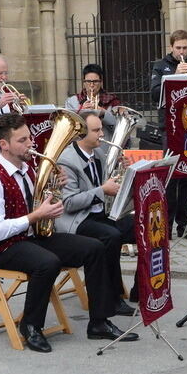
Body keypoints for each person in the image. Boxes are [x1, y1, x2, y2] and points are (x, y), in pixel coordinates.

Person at [0, 113, 138, 352]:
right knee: (48, 262)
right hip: (4, 247)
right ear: (3, 145)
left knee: (95, 247)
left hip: (31, 237)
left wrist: (54, 192)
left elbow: (34, 205)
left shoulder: (28, 170)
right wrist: (36, 216)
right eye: (22, 140)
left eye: (29, 138)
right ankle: (30, 326)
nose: (31, 144)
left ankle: (99, 322)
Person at [56, 111, 135, 316]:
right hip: (77, 220)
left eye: (101, 129)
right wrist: (102, 191)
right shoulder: (67, 161)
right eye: (96, 130)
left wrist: (122, 168)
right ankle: (112, 297)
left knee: (140, 224)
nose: (102, 134)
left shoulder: (99, 153)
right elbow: (69, 202)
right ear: (81, 133)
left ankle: (141, 289)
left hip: (98, 213)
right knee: (111, 236)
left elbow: (107, 182)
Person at [150, 30, 187, 240]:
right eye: (178, 48)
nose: (182, 51)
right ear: (171, 47)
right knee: (171, 177)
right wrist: (173, 76)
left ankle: (184, 225)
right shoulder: (160, 66)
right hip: (170, 127)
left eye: (185, 48)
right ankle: (167, 224)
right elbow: (154, 94)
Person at [64, 64, 122, 140]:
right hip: (82, 143)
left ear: (101, 82)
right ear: (84, 82)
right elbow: (68, 127)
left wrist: (103, 112)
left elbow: (118, 127)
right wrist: (81, 112)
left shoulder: (112, 101)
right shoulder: (72, 101)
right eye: (88, 81)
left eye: (95, 81)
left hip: (104, 144)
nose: (91, 85)